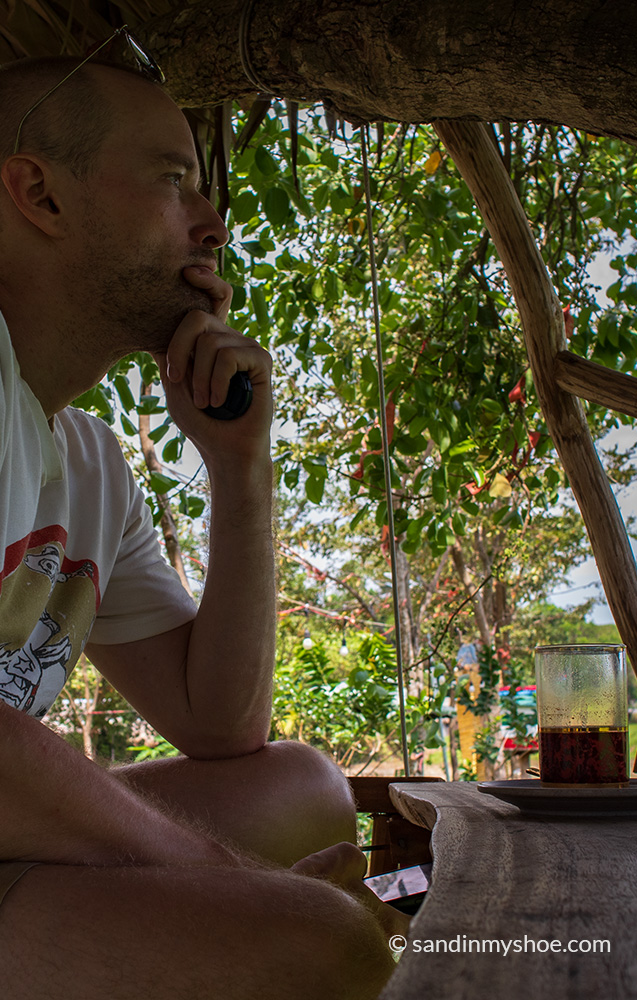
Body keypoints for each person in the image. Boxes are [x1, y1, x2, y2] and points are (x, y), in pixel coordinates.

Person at [0, 43, 399, 1000]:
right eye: (174, 180)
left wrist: (240, 468)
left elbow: (220, 726)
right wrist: (221, 878)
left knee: (303, 789)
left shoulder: (88, 459)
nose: (213, 226)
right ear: (39, 196)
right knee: (320, 946)